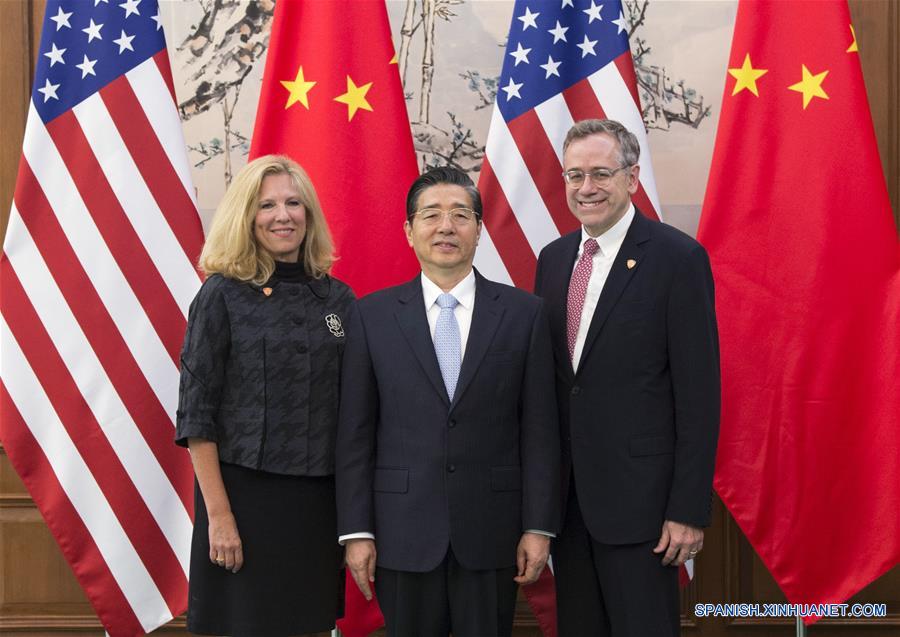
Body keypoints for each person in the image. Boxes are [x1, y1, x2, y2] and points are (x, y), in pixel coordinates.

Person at [335, 167, 560, 637]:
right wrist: (357, 531)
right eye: (431, 215)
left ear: (479, 228)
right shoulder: (371, 316)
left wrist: (539, 527)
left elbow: (540, 432)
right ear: (409, 230)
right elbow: (355, 434)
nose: (446, 227)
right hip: (401, 533)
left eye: (460, 215)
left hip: (493, 532)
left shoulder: (525, 314)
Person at [534, 119, 720, 637]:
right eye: (574, 175)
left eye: (600, 173)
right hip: (568, 508)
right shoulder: (552, 260)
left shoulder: (678, 259)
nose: (586, 187)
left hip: (645, 511)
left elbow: (700, 397)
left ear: (632, 178)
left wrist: (688, 510)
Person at [175, 155, 354, 636]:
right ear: (246, 216)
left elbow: (355, 412)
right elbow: (196, 417)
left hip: (318, 505)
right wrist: (219, 517)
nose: (283, 216)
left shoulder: (339, 299)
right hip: (242, 501)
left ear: (308, 214)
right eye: (267, 205)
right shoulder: (221, 294)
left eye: (294, 203)